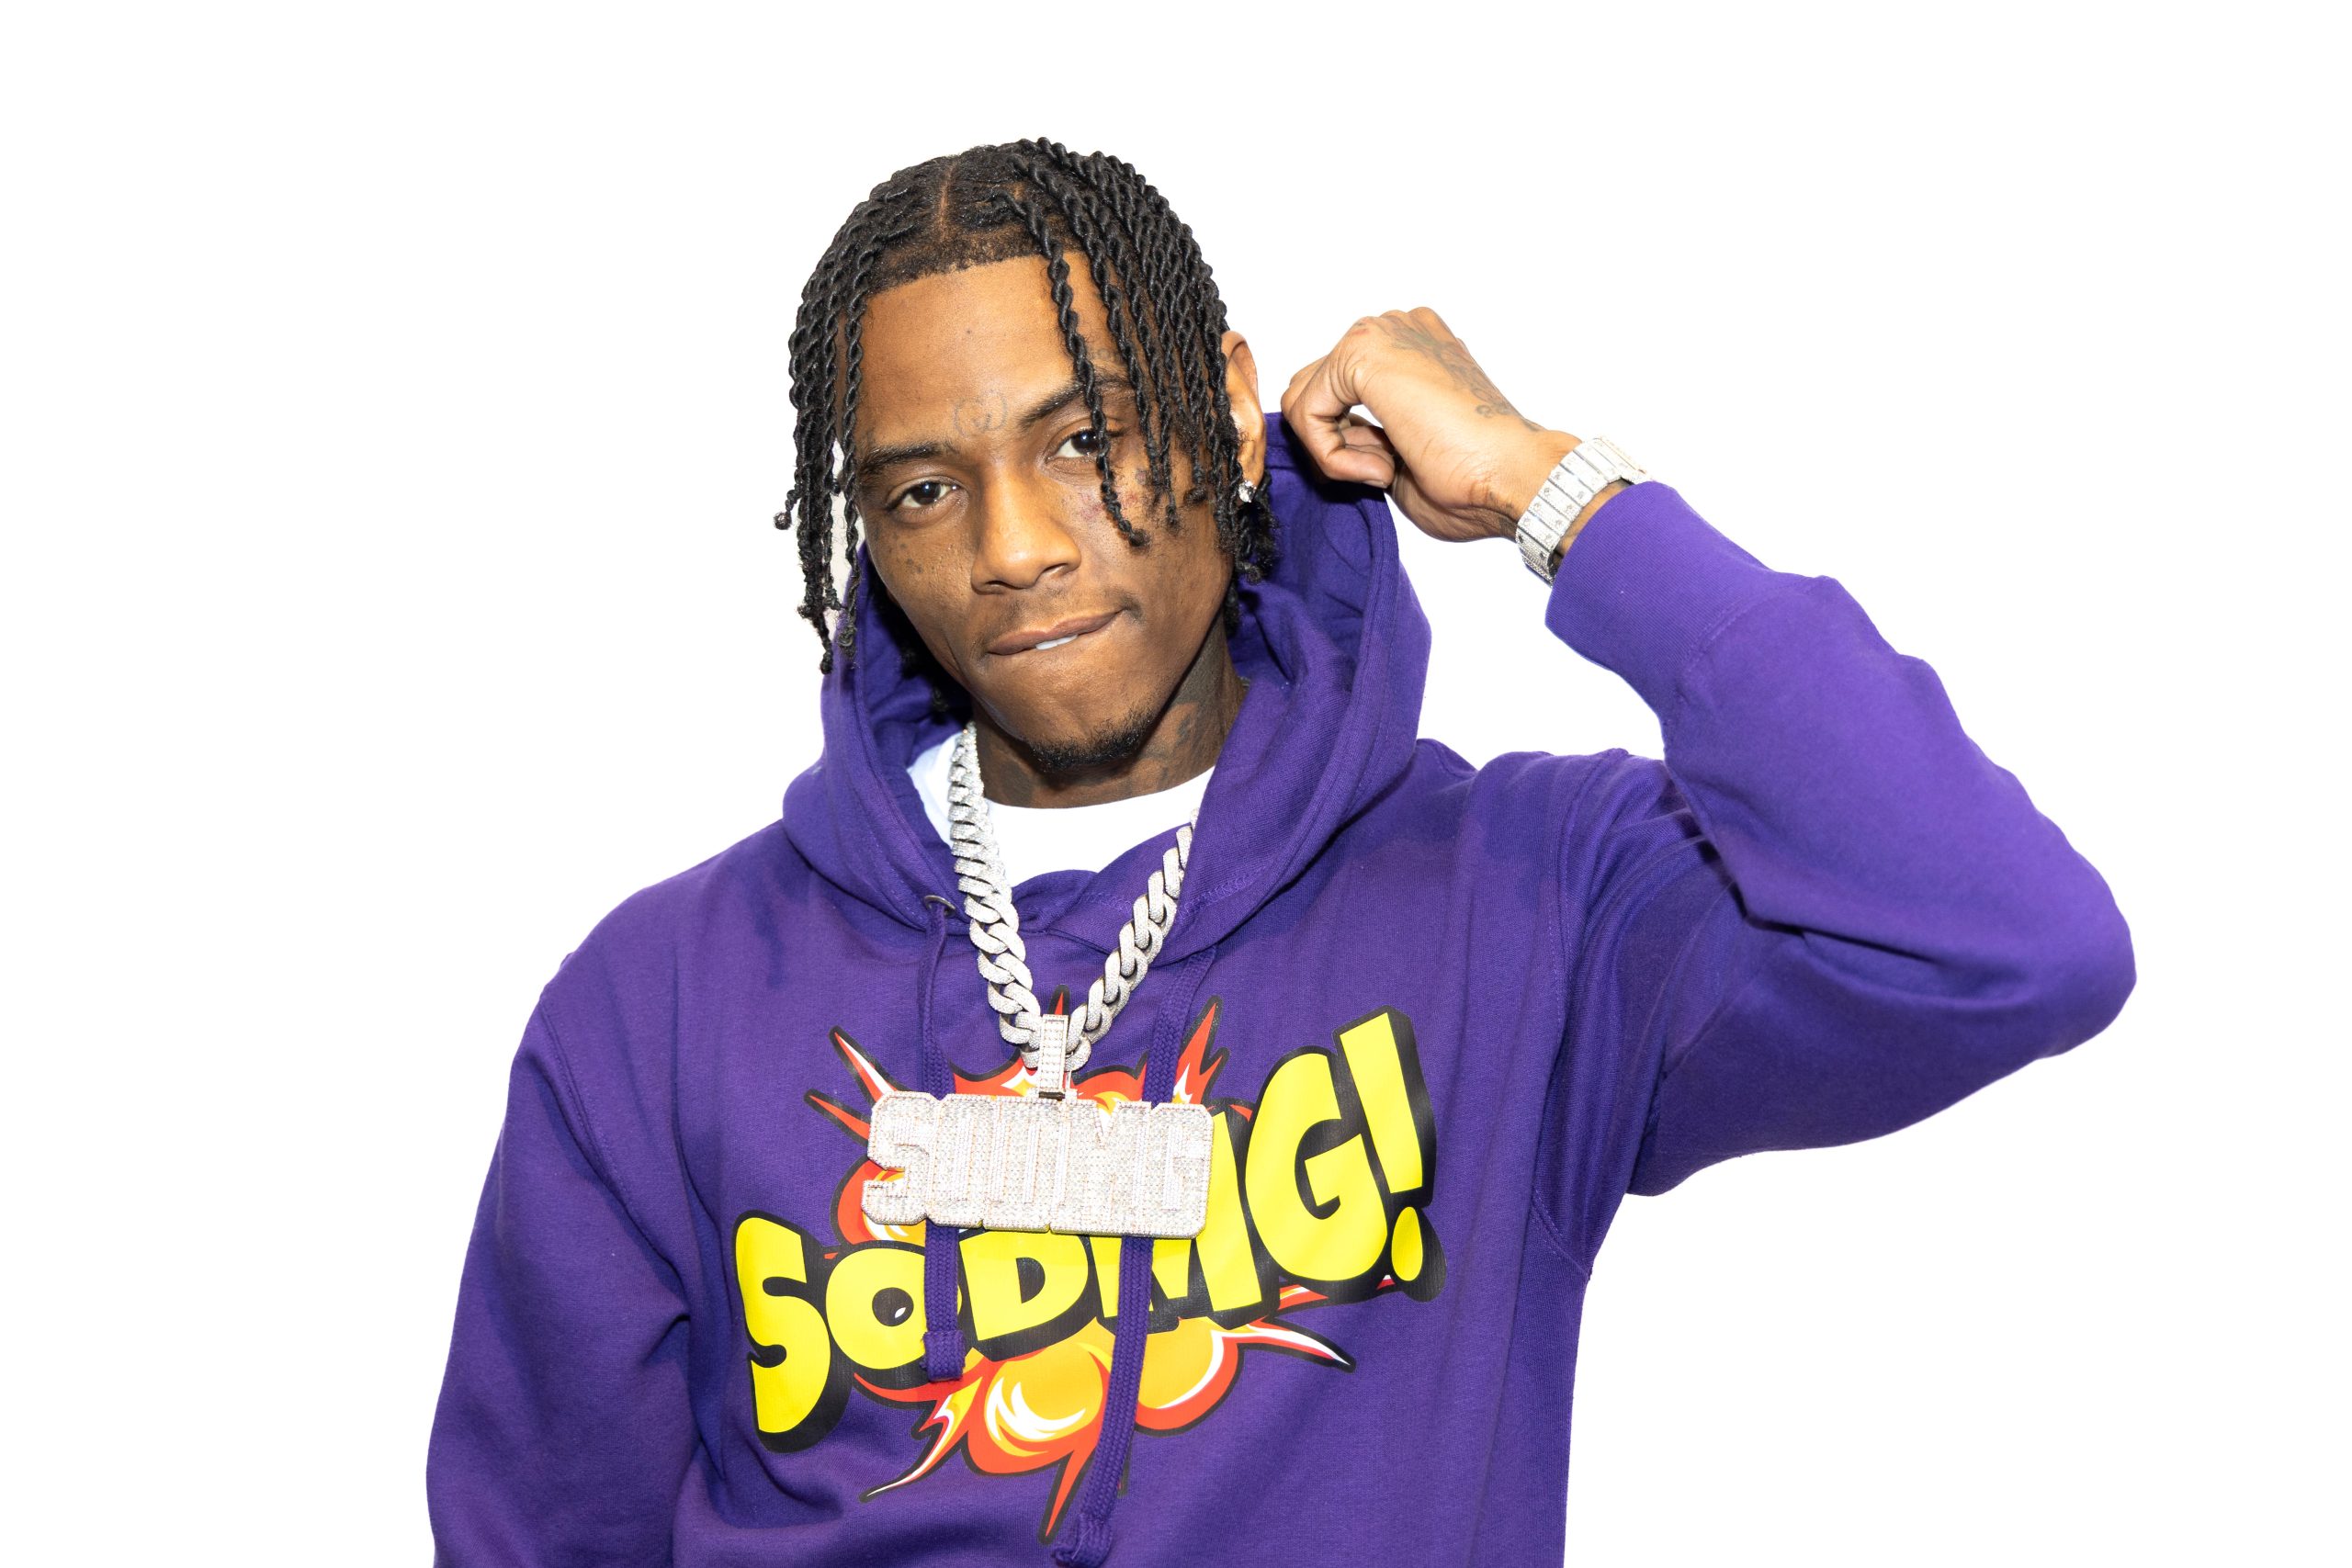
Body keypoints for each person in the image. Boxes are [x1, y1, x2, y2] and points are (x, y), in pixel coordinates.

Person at [426, 139, 2134, 1567]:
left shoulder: (1532, 902)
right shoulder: (660, 1002)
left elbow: (2006, 943)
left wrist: (1555, 495)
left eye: (1083, 440)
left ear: (1228, 408)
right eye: (926, 491)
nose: (1015, 547)